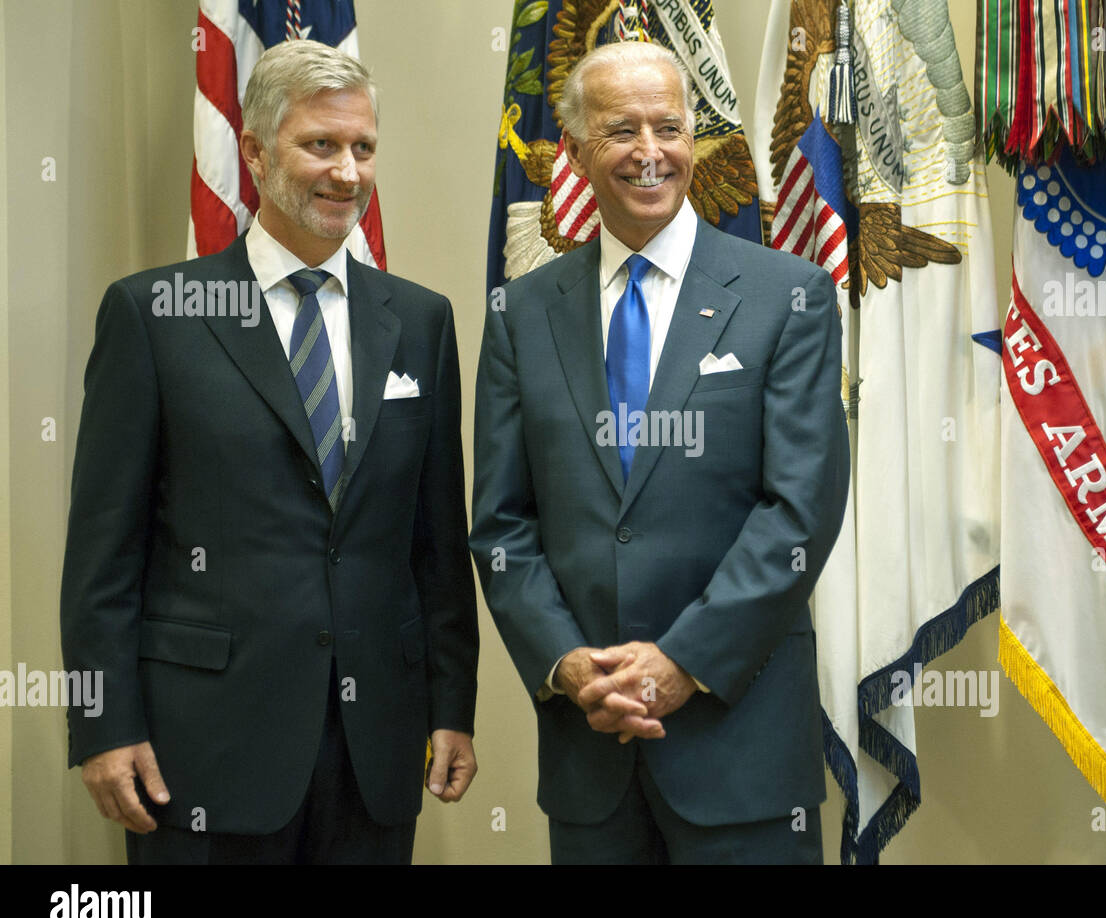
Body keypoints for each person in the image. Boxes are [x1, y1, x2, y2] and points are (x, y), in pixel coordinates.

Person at [60, 39, 478, 864]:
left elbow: (435, 545)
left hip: (374, 750)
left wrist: (452, 705)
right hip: (203, 748)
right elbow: (104, 552)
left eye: (362, 148)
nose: (347, 172)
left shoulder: (421, 323)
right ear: (252, 151)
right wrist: (104, 725)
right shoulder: (156, 316)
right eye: (320, 145)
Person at [471, 41, 849, 864]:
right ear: (573, 151)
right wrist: (571, 666)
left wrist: (684, 661)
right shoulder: (521, 314)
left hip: (741, 747)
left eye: (669, 127)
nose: (650, 152)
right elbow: (501, 526)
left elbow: (801, 511)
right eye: (621, 131)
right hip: (590, 754)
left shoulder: (789, 297)